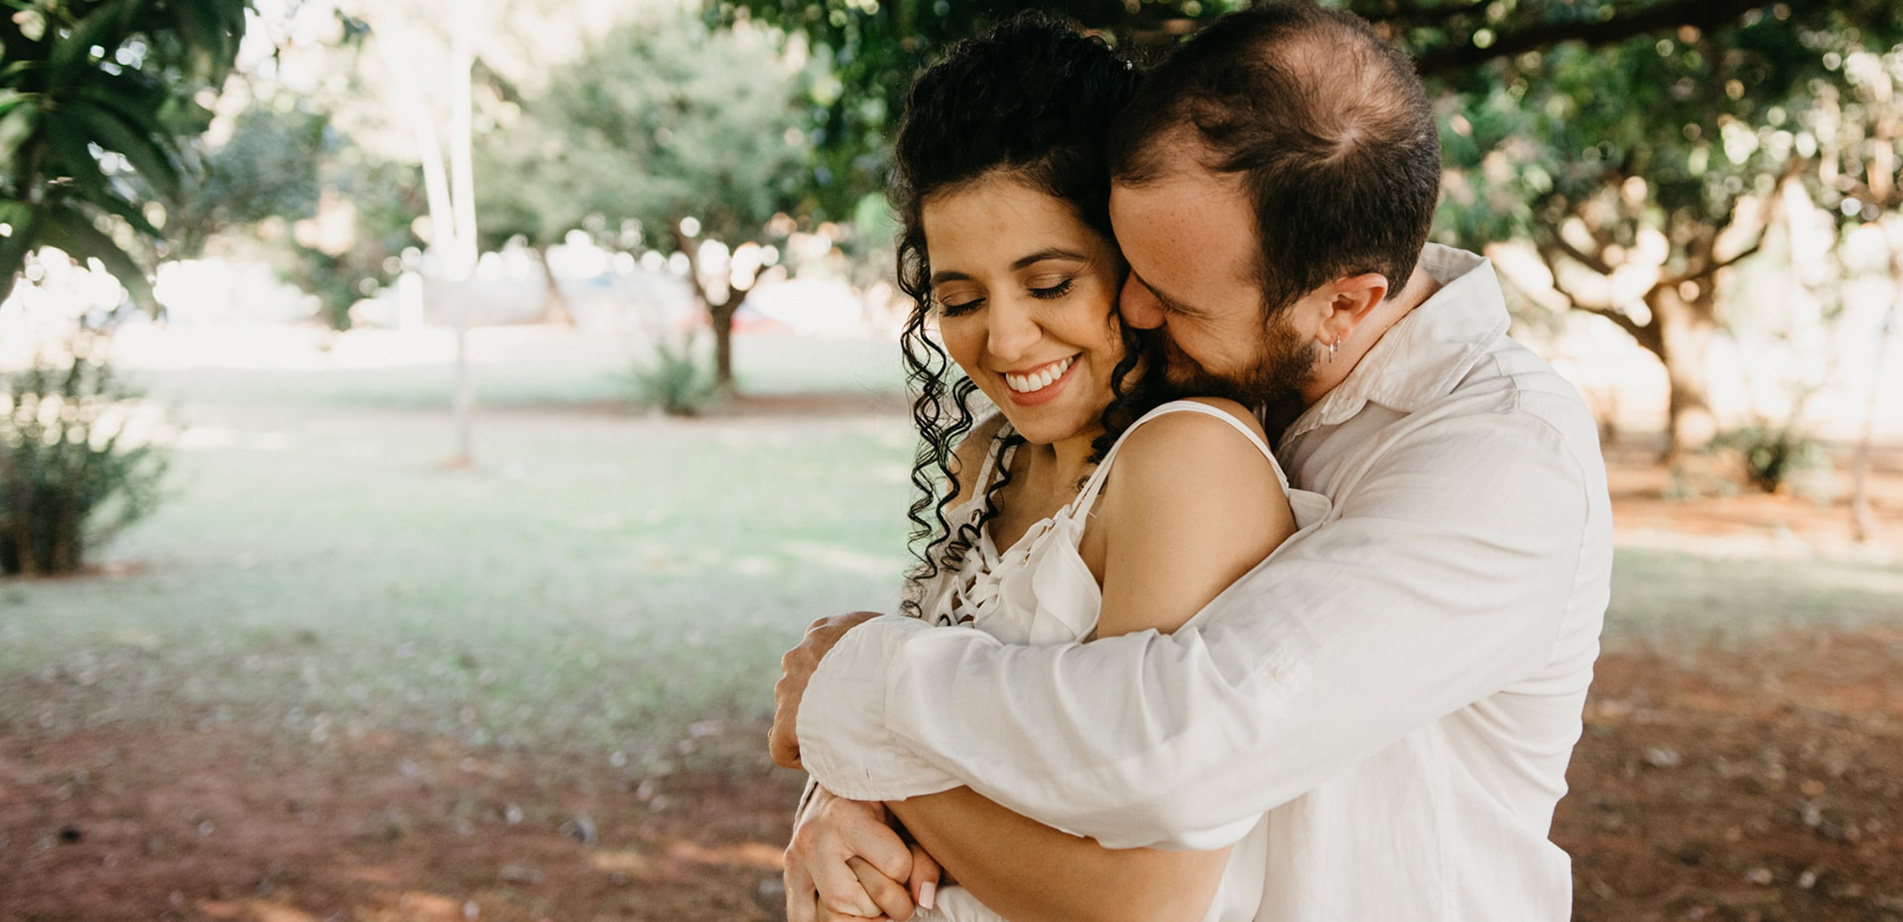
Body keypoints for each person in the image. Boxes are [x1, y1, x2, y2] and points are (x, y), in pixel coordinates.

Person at [774, 3, 1614, 922]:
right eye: (1127, 264)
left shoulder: (1499, 460)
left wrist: (860, 694)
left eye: (1168, 293)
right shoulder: (1212, 366)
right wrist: (843, 793)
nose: (1133, 309)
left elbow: (1179, 747)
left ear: (1343, 304)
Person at [794, 15, 1334, 922]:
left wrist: (854, 730)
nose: (1003, 340)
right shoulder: (988, 456)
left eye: (1048, 284)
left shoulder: (1184, 464)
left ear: (1135, 268)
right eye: (959, 297)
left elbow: (1141, 898)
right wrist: (836, 804)